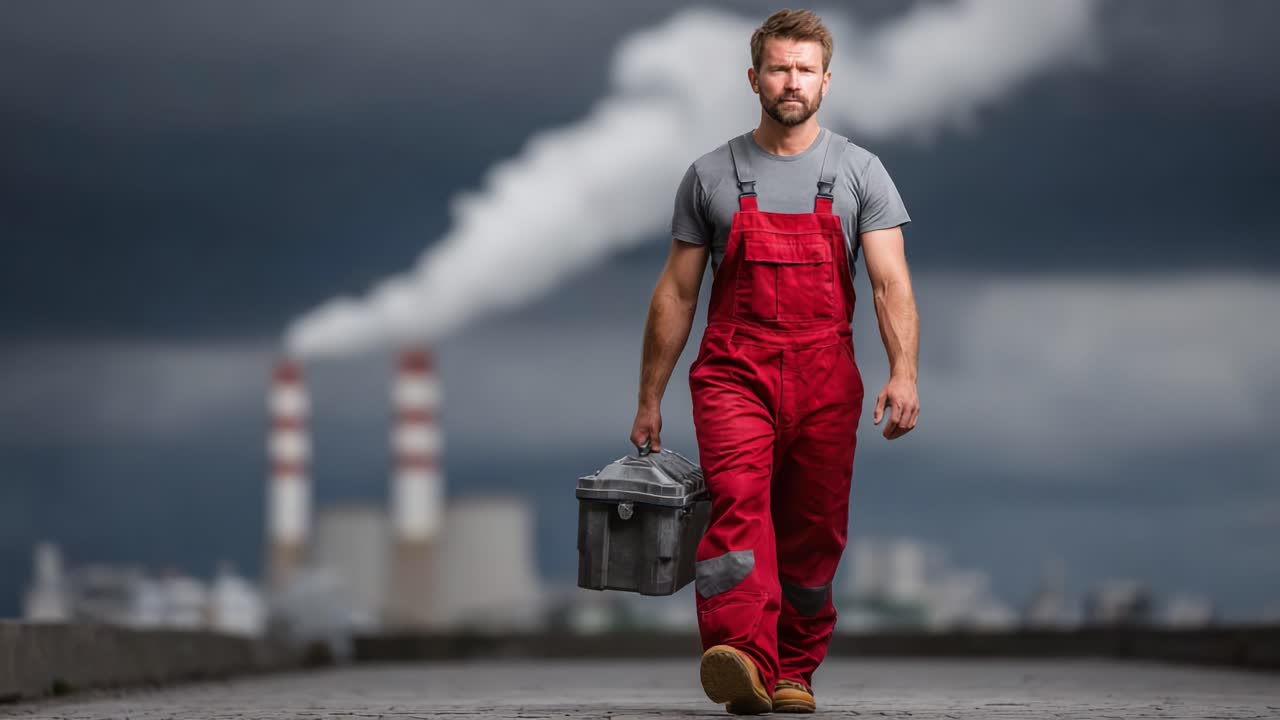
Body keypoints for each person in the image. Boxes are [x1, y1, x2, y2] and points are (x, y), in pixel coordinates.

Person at [629, 8, 920, 715]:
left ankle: (793, 669)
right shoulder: (710, 176)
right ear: (754, 77)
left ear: (826, 80)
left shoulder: (859, 172)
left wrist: (904, 372)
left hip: (826, 376)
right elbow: (676, 292)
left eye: (805, 70)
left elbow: (889, 283)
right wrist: (650, 397)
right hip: (735, 371)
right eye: (780, 68)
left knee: (813, 530)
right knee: (738, 508)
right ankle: (741, 656)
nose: (792, 82)